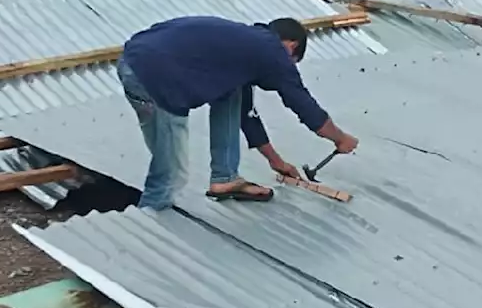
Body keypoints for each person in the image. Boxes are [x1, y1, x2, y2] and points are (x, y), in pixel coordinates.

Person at [117, 16, 359, 207]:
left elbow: (245, 114)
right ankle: (150, 220)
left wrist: (276, 161)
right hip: (156, 77)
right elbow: (304, 106)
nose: (287, 69)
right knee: (170, 174)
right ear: (291, 46)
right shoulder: (273, 51)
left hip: (131, 63)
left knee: (229, 96)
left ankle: (225, 178)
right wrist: (340, 138)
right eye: (292, 62)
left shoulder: (244, 47)